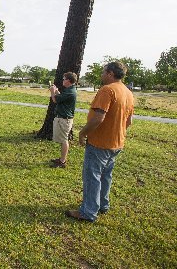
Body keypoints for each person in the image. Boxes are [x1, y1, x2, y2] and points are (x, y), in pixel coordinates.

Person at [66, 61, 134, 222]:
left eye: (103, 72)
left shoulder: (107, 90)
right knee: (105, 175)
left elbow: (98, 118)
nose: (101, 75)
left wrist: (82, 133)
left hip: (100, 143)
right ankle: (102, 205)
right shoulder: (128, 92)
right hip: (117, 143)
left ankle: (88, 212)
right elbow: (129, 121)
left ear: (110, 73)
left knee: (92, 176)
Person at [49, 72, 77, 168]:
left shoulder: (70, 91)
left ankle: (62, 161)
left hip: (64, 120)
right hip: (63, 118)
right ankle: (61, 159)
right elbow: (61, 98)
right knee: (63, 140)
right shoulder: (69, 90)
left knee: (64, 140)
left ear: (68, 80)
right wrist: (57, 92)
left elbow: (55, 100)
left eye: (64, 79)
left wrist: (52, 91)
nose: (63, 80)